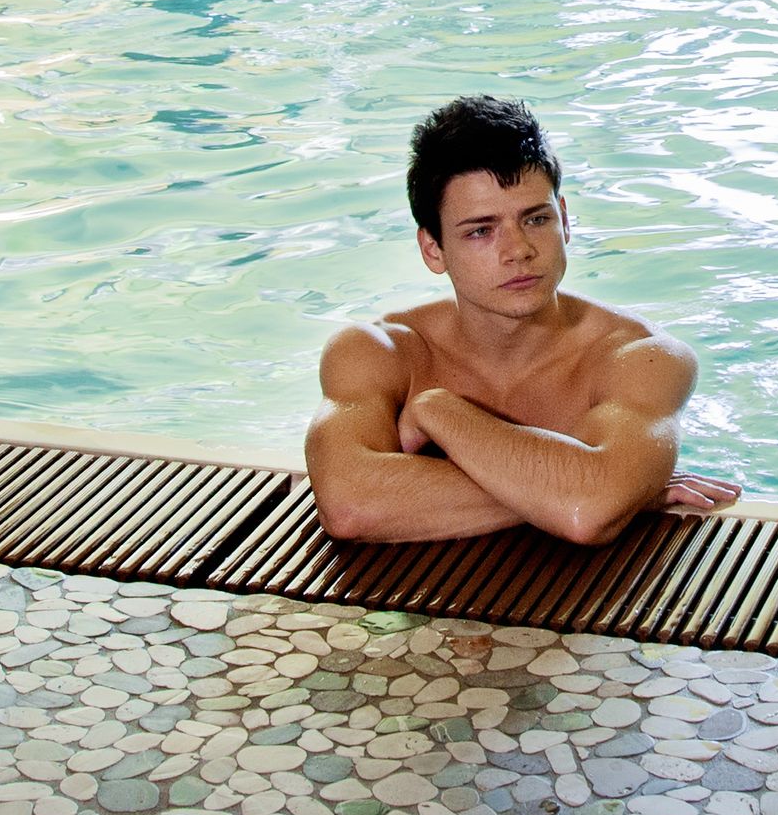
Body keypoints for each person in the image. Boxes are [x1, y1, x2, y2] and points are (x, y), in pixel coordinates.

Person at [306, 96, 742, 545]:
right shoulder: (379, 353)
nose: (518, 250)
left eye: (535, 219)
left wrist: (437, 410)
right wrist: (616, 488)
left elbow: (587, 512)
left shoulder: (642, 358)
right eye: (481, 230)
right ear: (433, 249)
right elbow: (350, 507)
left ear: (565, 221)